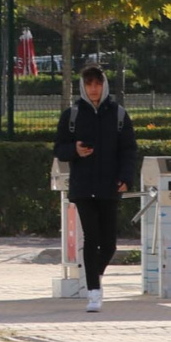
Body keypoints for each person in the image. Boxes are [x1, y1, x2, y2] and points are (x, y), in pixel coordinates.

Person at [53, 64, 137, 313]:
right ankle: (93, 291)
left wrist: (125, 177)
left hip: (109, 185)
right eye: (89, 84)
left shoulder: (119, 114)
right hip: (83, 186)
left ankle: (94, 276)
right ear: (82, 86)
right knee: (91, 239)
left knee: (109, 243)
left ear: (104, 85)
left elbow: (129, 149)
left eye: (97, 84)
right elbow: (58, 148)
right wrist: (74, 151)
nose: (93, 89)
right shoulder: (72, 114)